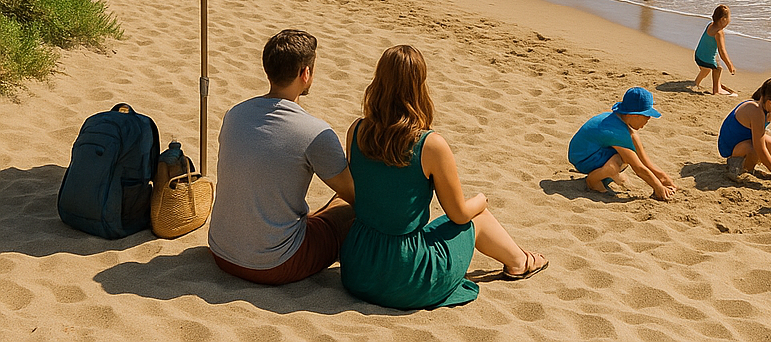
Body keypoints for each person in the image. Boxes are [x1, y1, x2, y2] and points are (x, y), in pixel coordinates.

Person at [341, 45, 547, 309]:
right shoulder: (430, 144)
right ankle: (520, 262)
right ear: (419, 87)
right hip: (403, 275)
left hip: (359, 266)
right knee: (477, 217)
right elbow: (458, 214)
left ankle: (520, 259)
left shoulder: (356, 131)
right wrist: (482, 200)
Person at [208, 29, 355, 284]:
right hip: (275, 263)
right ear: (305, 73)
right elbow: (355, 193)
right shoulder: (314, 131)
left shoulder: (235, 114)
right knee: (344, 208)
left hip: (221, 253)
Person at [568, 87, 676, 199]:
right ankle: (593, 181)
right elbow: (638, 167)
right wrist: (658, 188)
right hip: (583, 159)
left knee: (630, 149)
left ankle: (605, 172)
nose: (647, 120)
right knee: (620, 160)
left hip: (587, 152)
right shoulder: (616, 132)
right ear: (634, 115)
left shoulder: (618, 121)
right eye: (646, 117)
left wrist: (665, 180)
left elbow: (644, 160)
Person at [693, 4, 737, 95]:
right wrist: (730, 65)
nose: (730, 20)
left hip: (698, 56)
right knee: (718, 68)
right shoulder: (719, 33)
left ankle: (696, 82)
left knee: (707, 68)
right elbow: (722, 51)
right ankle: (717, 89)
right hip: (705, 60)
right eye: (729, 18)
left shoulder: (710, 24)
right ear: (723, 19)